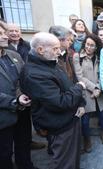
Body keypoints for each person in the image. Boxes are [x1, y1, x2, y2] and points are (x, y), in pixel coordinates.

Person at [20, 32, 86, 169]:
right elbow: (60, 102)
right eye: (55, 48)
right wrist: (79, 88)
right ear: (40, 50)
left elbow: (67, 84)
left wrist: (80, 102)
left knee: (72, 160)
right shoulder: (34, 74)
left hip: (69, 120)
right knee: (64, 163)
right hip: (60, 127)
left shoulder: (48, 63)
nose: (59, 51)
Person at [0, 21, 37, 169]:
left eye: (4, 33)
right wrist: (14, 100)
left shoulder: (14, 55)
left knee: (24, 144)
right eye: (1, 34)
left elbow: (23, 79)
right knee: (4, 153)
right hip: (3, 116)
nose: (5, 37)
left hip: (22, 110)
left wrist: (22, 95)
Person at [7, 23, 47, 150]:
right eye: (11, 31)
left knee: (26, 118)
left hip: (27, 85)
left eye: (17, 30)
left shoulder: (27, 45)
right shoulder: (5, 47)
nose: (14, 33)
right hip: (11, 90)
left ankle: (28, 141)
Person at [73, 34, 103, 150]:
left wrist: (99, 88)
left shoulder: (99, 57)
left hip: (99, 91)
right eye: (87, 44)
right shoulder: (78, 56)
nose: (89, 47)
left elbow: (102, 74)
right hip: (86, 92)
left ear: (96, 47)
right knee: (85, 120)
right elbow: (80, 77)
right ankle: (86, 139)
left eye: (92, 45)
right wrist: (94, 88)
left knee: (102, 115)